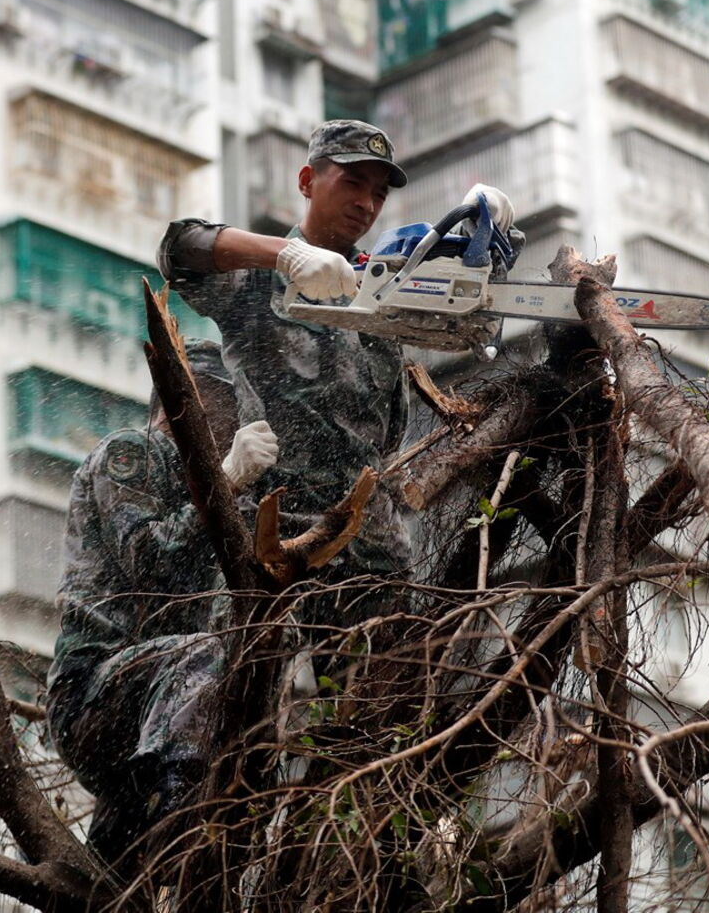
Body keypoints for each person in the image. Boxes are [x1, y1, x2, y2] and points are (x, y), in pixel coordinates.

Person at [156, 120, 515, 624]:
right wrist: (286, 255)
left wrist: (480, 245)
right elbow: (178, 251)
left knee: (389, 670)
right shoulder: (258, 280)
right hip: (275, 532)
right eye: (352, 183)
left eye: (379, 193)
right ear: (307, 182)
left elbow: (464, 326)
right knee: (260, 662)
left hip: (373, 546)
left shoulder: (386, 283)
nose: (366, 203)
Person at [46, 341, 278, 866]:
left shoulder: (205, 482)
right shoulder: (133, 451)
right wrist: (226, 482)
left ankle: (134, 851)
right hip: (94, 691)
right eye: (225, 402)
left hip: (155, 710)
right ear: (185, 399)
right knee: (209, 654)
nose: (235, 418)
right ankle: (182, 817)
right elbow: (148, 560)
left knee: (115, 881)